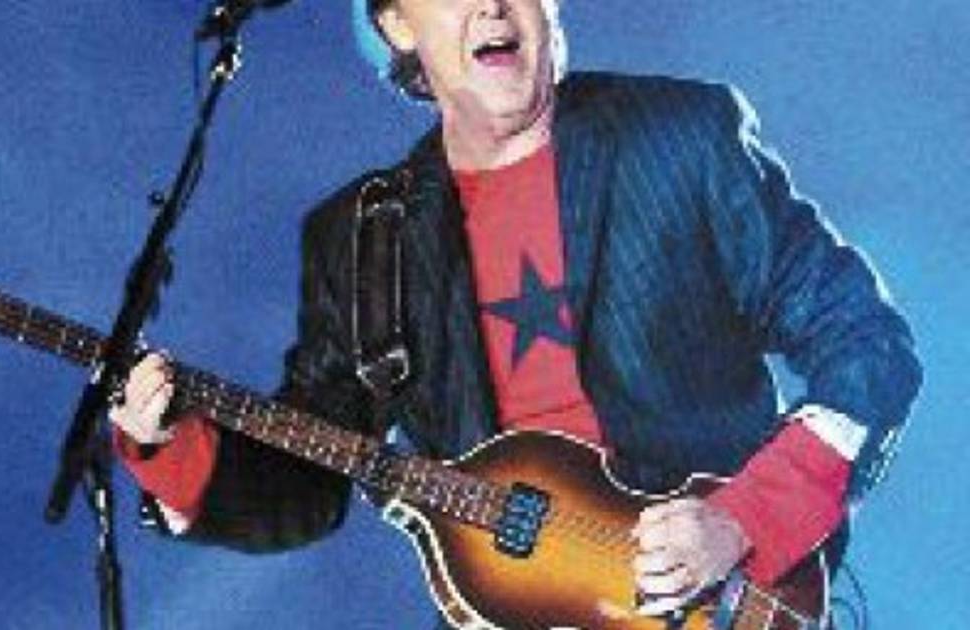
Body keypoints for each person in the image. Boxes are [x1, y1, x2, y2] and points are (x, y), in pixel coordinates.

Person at [110, 0, 921, 623]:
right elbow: (310, 482)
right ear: (397, 24)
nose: (494, 5)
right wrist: (168, 447)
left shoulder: (681, 138)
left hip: (725, 602)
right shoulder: (361, 237)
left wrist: (744, 520)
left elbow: (868, 345)